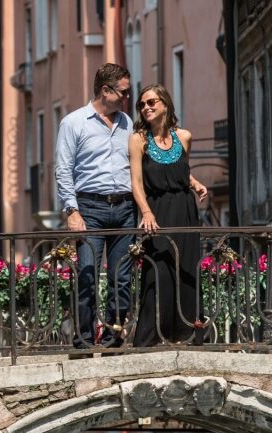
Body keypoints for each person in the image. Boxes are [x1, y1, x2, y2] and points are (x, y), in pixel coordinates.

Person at [55, 63, 137, 349]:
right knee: (88, 276)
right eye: (124, 92)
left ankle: (115, 337)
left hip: (125, 208)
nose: (128, 97)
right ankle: (85, 339)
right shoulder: (74, 123)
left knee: (122, 278)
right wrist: (71, 210)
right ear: (106, 90)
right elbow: (63, 170)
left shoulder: (127, 122)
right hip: (90, 207)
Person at [129, 84, 208, 346]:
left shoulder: (184, 137)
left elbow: (180, 170)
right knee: (159, 273)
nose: (146, 107)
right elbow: (137, 183)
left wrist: (194, 183)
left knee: (186, 269)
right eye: (142, 104)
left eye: (152, 102)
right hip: (158, 212)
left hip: (185, 211)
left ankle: (187, 335)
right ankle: (152, 339)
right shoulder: (139, 139)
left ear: (165, 104)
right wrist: (147, 212)